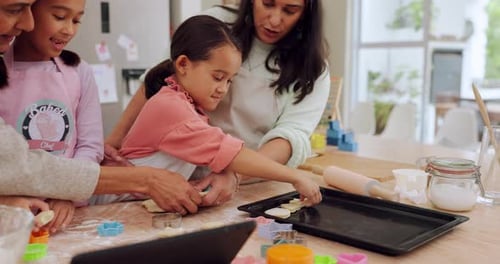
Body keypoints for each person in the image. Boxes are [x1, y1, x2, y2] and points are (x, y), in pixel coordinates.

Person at [104, 0, 330, 206]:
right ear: (182, 64)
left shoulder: (188, 108)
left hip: (203, 188)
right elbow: (227, 151)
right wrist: (294, 176)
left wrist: (234, 175)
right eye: (218, 77)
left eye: (290, 10)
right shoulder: (173, 107)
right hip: (117, 201)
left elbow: (287, 136)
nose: (274, 19)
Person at [0, 0, 201, 229]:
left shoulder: (79, 72)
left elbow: (90, 145)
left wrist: (68, 194)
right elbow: (13, 164)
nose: (69, 29)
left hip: (67, 208)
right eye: (58, 16)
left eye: (77, 20)